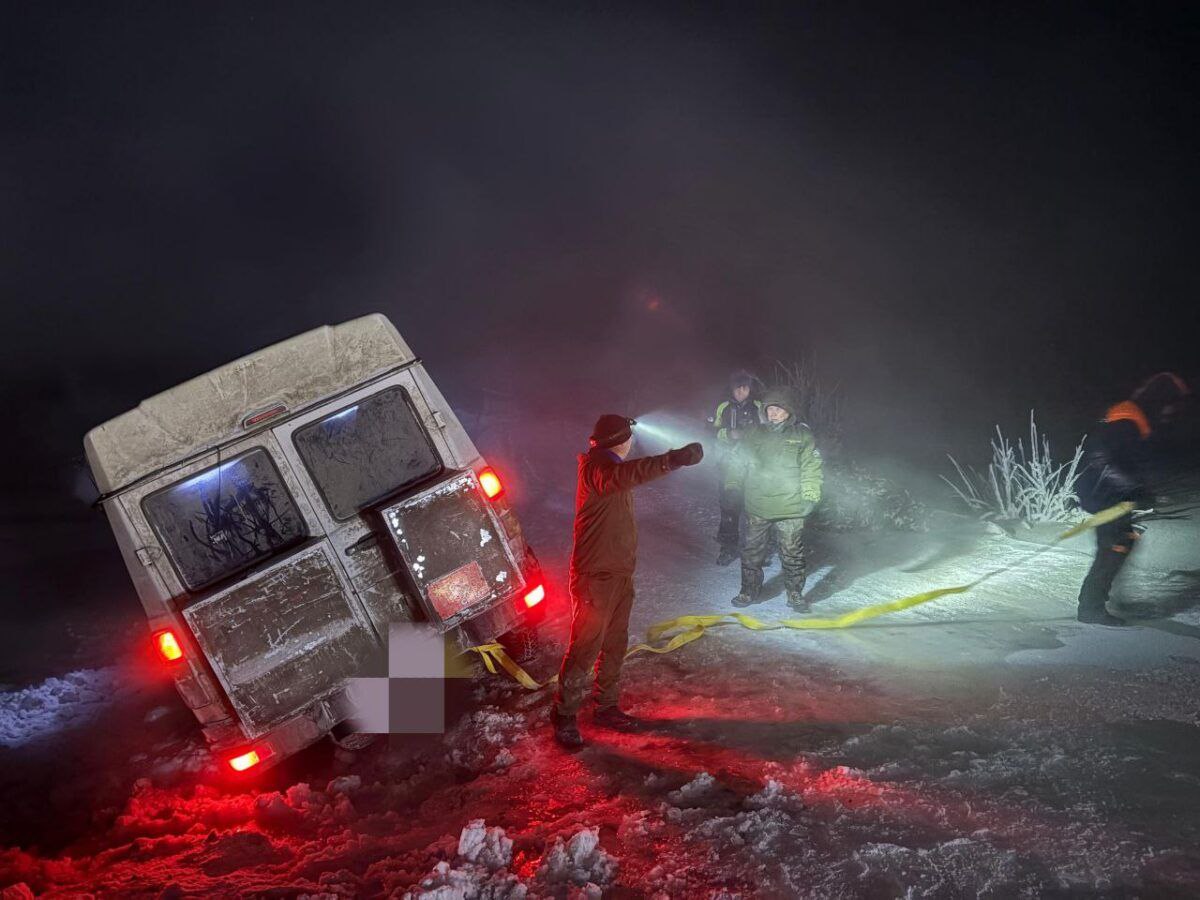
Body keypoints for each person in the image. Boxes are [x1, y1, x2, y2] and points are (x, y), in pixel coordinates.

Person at [553, 414, 704, 748]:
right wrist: (672, 460)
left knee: (615, 644)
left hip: (619, 574)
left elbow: (625, 476)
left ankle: (606, 708)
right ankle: (564, 717)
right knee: (585, 647)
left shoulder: (607, 467)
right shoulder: (598, 470)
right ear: (621, 440)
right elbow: (627, 474)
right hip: (596, 577)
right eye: (629, 437)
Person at [1074, 372, 1190, 625]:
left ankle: (1104, 600)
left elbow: (1127, 459)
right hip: (1105, 495)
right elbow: (1101, 458)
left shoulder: (1133, 417)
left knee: (1122, 544)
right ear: (1160, 399)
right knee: (1114, 547)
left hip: (1111, 493)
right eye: (1170, 404)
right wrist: (1135, 489)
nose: (1171, 412)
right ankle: (1091, 609)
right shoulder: (1127, 420)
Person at [725, 387, 823, 612]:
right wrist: (732, 486)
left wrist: (810, 495)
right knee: (751, 552)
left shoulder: (802, 435)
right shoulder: (754, 433)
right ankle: (748, 590)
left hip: (791, 508)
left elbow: (812, 468)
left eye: (779, 409)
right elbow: (737, 461)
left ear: (788, 412)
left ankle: (795, 594)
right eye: (770, 409)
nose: (774, 413)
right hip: (757, 505)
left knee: (793, 554)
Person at [711, 370, 765, 566]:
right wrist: (728, 434)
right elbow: (710, 431)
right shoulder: (723, 407)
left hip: (753, 466)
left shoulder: (759, 407)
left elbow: (768, 432)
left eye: (745, 387)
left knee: (755, 509)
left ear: (750, 388)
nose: (741, 391)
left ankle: (757, 550)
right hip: (728, 465)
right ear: (732, 388)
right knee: (729, 508)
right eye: (738, 388)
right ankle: (728, 548)